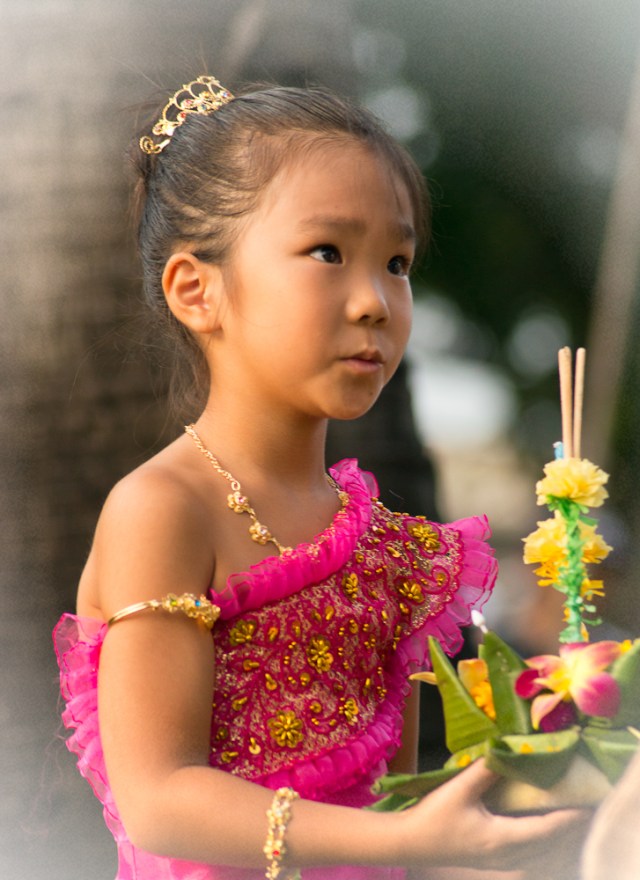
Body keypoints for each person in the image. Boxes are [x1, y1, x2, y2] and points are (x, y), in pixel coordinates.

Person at [54, 75, 587, 880]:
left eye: (398, 262)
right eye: (328, 252)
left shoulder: (391, 552)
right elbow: (159, 798)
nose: (375, 301)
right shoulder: (162, 511)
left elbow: (400, 813)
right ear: (197, 291)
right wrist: (408, 840)